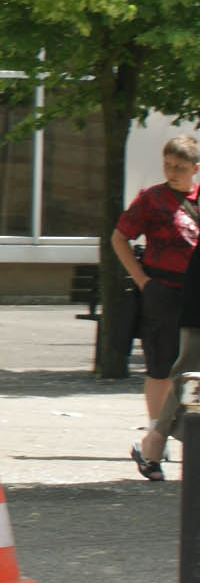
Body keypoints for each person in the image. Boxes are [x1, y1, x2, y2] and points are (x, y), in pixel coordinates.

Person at [112, 135, 199, 445]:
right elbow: (119, 238)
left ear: (195, 168)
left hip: (196, 292)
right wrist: (142, 281)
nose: (172, 172)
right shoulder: (152, 199)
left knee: (193, 365)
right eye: (167, 165)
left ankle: (188, 430)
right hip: (163, 289)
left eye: (180, 167)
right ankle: (156, 435)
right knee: (161, 365)